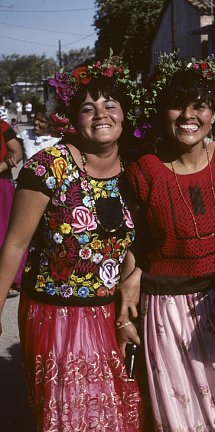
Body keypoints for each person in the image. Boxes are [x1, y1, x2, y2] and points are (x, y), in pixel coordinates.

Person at [123, 54, 215, 431]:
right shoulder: (144, 171)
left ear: (214, 112)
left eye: (200, 105)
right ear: (162, 111)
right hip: (167, 314)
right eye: (177, 105)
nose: (188, 116)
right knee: (182, 419)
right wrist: (127, 292)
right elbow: (134, 243)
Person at [0, 57, 144, 431]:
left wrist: (129, 302)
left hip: (111, 312)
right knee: (71, 418)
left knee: (113, 413)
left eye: (109, 105)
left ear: (125, 114)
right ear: (73, 119)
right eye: (87, 107)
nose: (100, 114)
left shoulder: (137, 169)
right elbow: (14, 245)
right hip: (55, 314)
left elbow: (139, 244)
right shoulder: (48, 167)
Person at [0, 118, 23, 298]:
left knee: (5, 232)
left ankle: (6, 280)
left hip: (1, 184)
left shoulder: (2, 126)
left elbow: (17, 153)